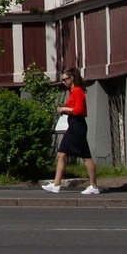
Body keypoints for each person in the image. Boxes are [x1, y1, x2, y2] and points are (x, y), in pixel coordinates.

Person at [44, 66, 98, 195]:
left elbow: (79, 110)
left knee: (86, 157)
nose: (64, 82)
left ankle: (94, 186)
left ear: (72, 78)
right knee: (61, 154)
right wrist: (64, 108)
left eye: (65, 79)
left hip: (78, 126)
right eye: (62, 80)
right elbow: (72, 106)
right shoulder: (72, 91)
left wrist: (64, 109)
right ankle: (56, 185)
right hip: (73, 125)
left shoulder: (78, 90)